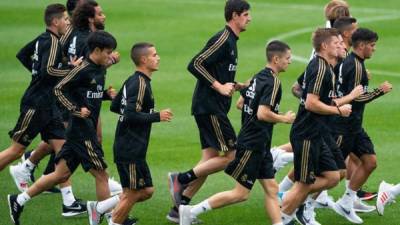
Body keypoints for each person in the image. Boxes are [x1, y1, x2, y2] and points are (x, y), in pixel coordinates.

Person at [7, 30, 119, 225]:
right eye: (108, 52)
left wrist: (106, 96)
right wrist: (75, 109)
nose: (111, 57)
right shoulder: (81, 69)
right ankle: (111, 218)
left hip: (83, 129)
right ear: (97, 50)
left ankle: (18, 200)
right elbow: (58, 90)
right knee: (101, 174)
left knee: (61, 174)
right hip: (81, 131)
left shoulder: (100, 69)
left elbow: (88, 93)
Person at [180, 40, 295, 225]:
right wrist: (284, 119)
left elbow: (240, 104)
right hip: (253, 144)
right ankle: (190, 212)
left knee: (272, 189)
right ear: (276, 59)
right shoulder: (273, 83)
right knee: (240, 194)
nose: (290, 61)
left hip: (260, 143)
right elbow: (263, 113)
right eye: (287, 58)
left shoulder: (257, 77)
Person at [166, 0, 251, 223]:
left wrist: (235, 84)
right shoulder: (223, 38)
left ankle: (179, 209)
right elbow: (195, 63)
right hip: (210, 106)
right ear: (234, 16)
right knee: (232, 156)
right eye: (245, 14)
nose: (249, 18)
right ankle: (180, 179)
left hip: (212, 106)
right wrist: (219, 86)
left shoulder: (232, 40)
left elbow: (218, 71)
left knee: (208, 161)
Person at [91, 42, 172, 225]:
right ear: (144, 60)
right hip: (130, 147)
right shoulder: (140, 83)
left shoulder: (133, 80)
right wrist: (156, 116)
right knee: (133, 193)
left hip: (132, 147)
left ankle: (99, 208)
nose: (158, 57)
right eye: (154, 54)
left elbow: (114, 106)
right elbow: (129, 115)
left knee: (146, 191)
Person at [280, 28, 352, 225]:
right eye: (337, 44)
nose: (342, 46)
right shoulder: (320, 68)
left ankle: (296, 204)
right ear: (324, 46)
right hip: (307, 134)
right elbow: (312, 103)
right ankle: (283, 215)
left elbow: (305, 93)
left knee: (333, 176)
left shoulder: (325, 67)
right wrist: (338, 111)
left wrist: (342, 101)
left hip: (318, 133)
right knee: (303, 184)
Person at [332, 28, 392, 224]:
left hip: (354, 127)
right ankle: (300, 203)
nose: (374, 49)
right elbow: (356, 99)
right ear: (362, 45)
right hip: (344, 127)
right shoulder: (356, 66)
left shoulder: (353, 63)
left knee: (370, 162)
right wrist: (379, 91)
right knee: (332, 173)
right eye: (372, 45)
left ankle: (346, 202)